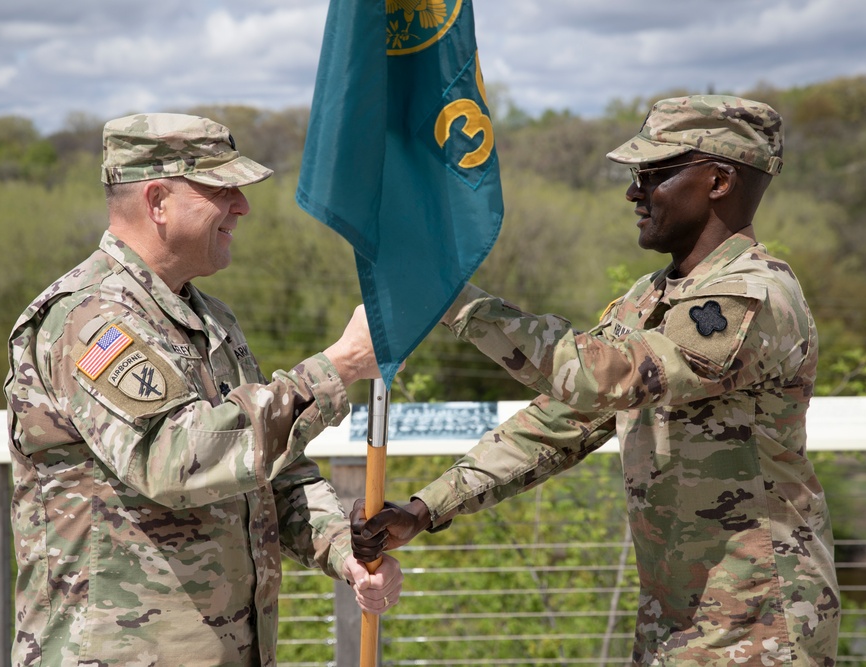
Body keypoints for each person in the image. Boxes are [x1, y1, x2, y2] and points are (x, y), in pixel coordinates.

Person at [352, 95, 840, 665]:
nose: (634, 191)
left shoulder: (753, 296)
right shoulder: (651, 296)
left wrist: (451, 299)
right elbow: (562, 421)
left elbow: (598, 378)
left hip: (760, 624)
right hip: (679, 617)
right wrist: (425, 508)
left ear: (719, 181)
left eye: (654, 173)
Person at [4, 112, 403, 667]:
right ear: (158, 201)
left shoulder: (209, 318)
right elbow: (174, 459)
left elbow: (271, 471)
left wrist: (345, 549)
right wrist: (336, 367)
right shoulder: (91, 319)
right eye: (221, 189)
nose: (242, 206)